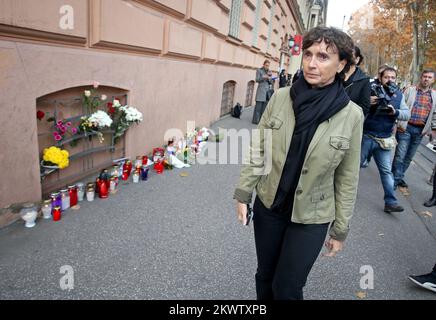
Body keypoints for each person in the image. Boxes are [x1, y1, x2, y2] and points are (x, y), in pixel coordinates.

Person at [233, 26, 363, 300]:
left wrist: (340, 229)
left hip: (311, 218)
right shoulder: (281, 98)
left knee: (288, 288)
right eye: (308, 54)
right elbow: (259, 149)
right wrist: (244, 192)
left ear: (341, 64)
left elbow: (348, 176)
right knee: (265, 276)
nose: (312, 63)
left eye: (323, 57)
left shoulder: (352, 115)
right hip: (270, 206)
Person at [361, 67, 410, 213]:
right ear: (380, 78)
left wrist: (395, 112)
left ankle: (390, 202)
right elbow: (355, 106)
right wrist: (368, 102)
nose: (390, 80)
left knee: (386, 172)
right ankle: (336, 195)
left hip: (384, 139)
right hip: (366, 136)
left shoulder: (399, 95)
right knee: (351, 169)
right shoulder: (369, 89)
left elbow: (407, 114)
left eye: (393, 77)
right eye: (386, 77)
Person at [392, 70, 436, 189]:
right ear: (421, 78)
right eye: (425, 76)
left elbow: (434, 115)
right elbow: (399, 106)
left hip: (420, 131)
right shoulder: (410, 90)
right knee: (400, 155)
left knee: (409, 157)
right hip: (405, 128)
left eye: (429, 77)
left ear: (433, 80)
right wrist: (396, 124)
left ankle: (398, 175)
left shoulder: (434, 95)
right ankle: (394, 181)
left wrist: (433, 130)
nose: (426, 79)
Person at [343, 46, 371, 116]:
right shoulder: (334, 76)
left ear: (357, 59)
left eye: (350, 55)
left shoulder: (364, 80)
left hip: (349, 121)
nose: (346, 57)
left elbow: (364, 107)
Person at [253, 60, 273, 124]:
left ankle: (261, 121)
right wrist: (263, 77)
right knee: (258, 108)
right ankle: (256, 121)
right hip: (261, 91)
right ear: (263, 64)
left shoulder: (269, 71)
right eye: (266, 65)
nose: (267, 67)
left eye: (268, 66)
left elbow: (271, 82)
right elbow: (257, 79)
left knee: (264, 108)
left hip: (267, 92)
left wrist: (270, 79)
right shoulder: (259, 70)